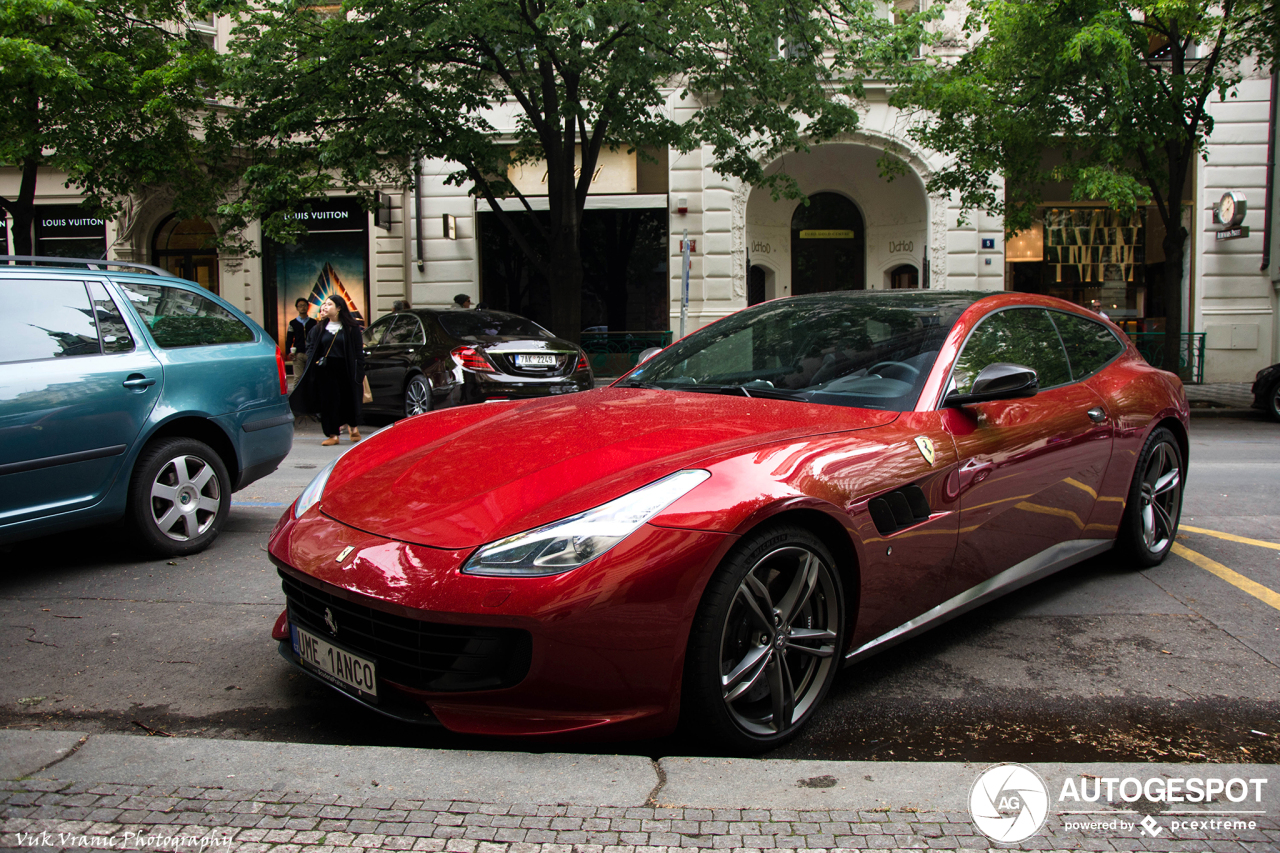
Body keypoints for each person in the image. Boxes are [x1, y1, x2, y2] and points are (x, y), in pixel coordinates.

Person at [298, 296, 366, 446]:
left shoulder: (351, 327)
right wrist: (312, 363)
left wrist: (359, 370)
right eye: (325, 304)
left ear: (339, 308)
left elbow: (358, 351)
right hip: (325, 370)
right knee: (328, 402)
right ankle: (333, 434)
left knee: (347, 398)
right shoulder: (319, 328)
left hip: (345, 368)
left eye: (330, 304)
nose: (326, 307)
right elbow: (312, 347)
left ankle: (353, 427)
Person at [284, 298, 315, 380]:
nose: (302, 308)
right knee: (298, 377)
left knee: (311, 376)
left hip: (311, 353)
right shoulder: (293, 323)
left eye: (304, 305)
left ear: (308, 307)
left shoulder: (313, 322)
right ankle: (297, 393)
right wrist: (288, 352)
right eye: (300, 306)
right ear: (297, 308)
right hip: (298, 353)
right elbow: (289, 338)